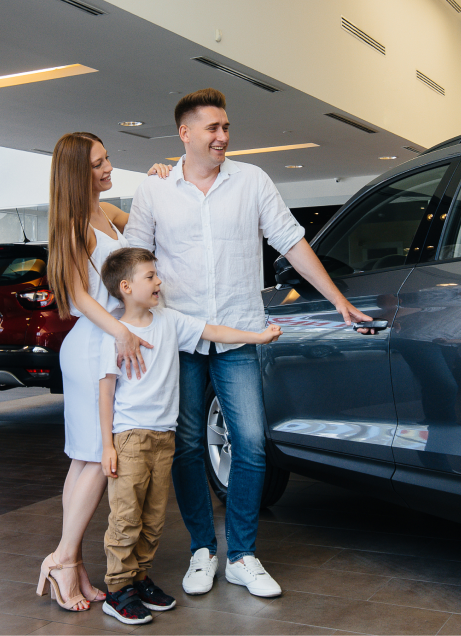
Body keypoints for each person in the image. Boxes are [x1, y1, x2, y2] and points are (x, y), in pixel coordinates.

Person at [124, 87, 373, 598]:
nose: (223, 137)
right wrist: (128, 327)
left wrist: (337, 300)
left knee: (253, 444)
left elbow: (291, 240)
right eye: (212, 128)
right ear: (185, 133)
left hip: (239, 332)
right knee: (187, 447)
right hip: (179, 336)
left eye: (226, 127)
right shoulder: (155, 190)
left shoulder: (251, 180)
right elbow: (132, 258)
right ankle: (201, 549)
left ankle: (241, 554)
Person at [96, 247, 281, 624]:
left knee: (153, 518)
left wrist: (257, 337)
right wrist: (107, 445)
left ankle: (139, 579)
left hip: (164, 437)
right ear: (127, 287)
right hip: (130, 438)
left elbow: (213, 331)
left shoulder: (169, 320)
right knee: (126, 516)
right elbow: (105, 392)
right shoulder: (116, 336)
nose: (159, 281)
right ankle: (117, 589)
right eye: (151, 276)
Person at [37, 131, 168, 612]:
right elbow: (78, 297)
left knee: (83, 460)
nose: (108, 167)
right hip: (94, 345)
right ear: (77, 173)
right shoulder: (72, 225)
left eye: (107, 158)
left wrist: (158, 182)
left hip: (107, 342)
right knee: (95, 458)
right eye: (97, 164)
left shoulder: (106, 212)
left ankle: (69, 561)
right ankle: (62, 560)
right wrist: (121, 332)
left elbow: (152, 228)